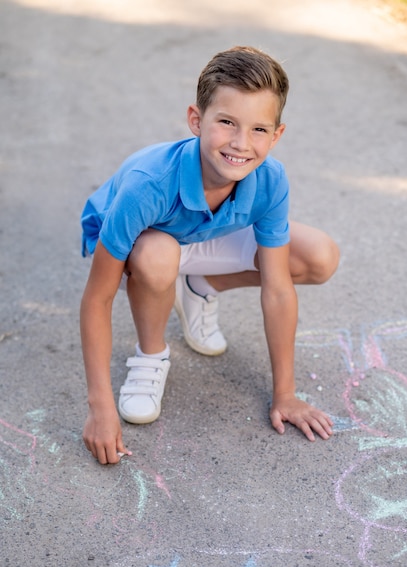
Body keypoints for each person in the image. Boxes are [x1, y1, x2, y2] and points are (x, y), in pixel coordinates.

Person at [80, 46, 339, 465]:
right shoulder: (149, 184)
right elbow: (97, 297)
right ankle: (151, 355)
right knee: (157, 255)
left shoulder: (270, 178)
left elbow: (276, 288)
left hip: (203, 233)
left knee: (318, 256)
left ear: (277, 135)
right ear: (196, 121)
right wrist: (100, 407)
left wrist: (286, 394)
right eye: (226, 123)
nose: (241, 143)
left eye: (258, 129)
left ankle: (200, 286)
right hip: (148, 241)